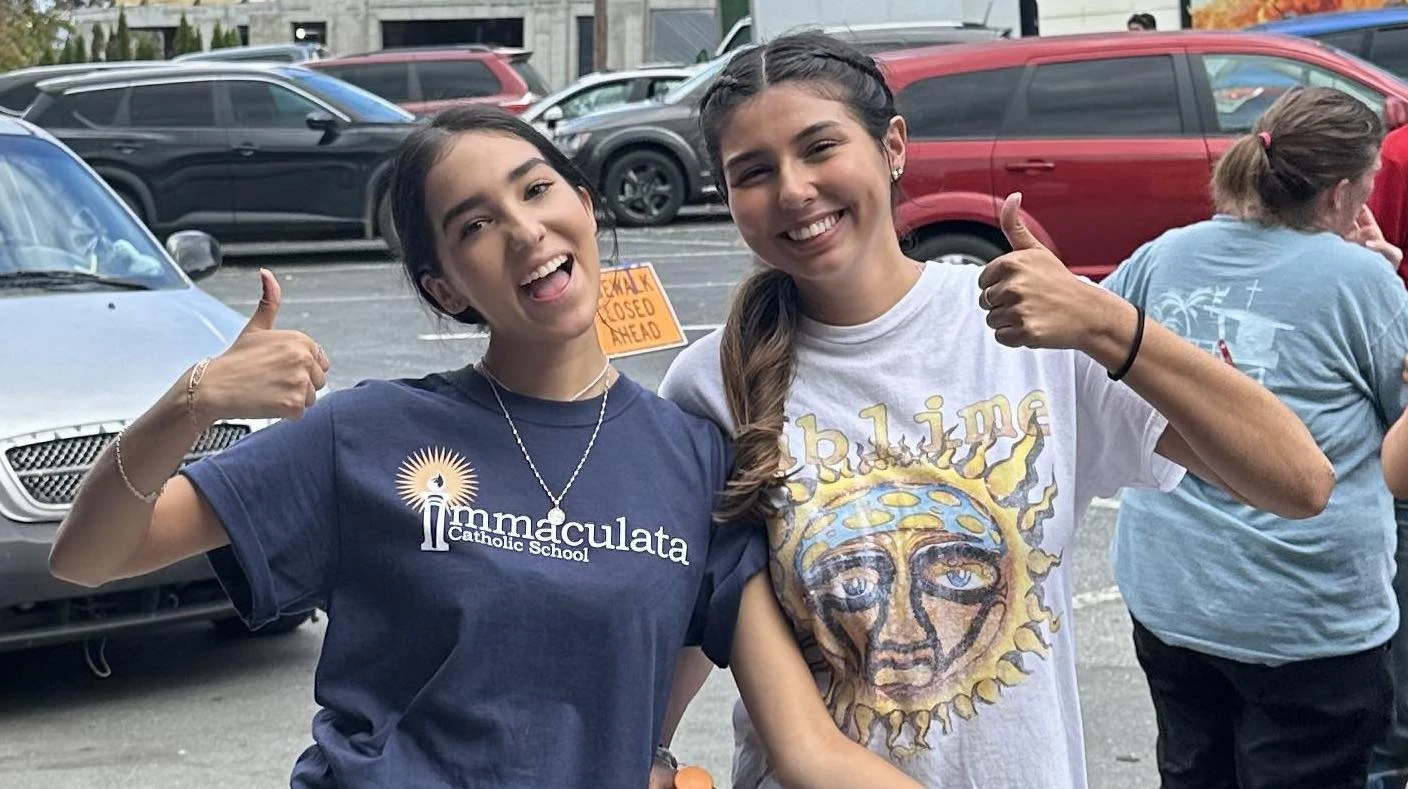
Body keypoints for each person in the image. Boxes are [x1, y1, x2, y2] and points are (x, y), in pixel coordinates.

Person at [45, 105, 923, 789]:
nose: (524, 230)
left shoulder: (693, 461)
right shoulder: (368, 431)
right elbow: (91, 554)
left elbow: (807, 747)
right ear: (445, 286)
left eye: (536, 190)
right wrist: (192, 402)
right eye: (474, 226)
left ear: (583, 202)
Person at [653, 30, 1334, 789]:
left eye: (819, 147)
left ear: (894, 147)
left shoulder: (1029, 330)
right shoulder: (708, 383)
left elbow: (1297, 482)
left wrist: (1109, 325)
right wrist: (646, 754)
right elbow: (683, 617)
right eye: (753, 171)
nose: (793, 189)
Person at [1099, 86, 1408, 789]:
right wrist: (1373, 283)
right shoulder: (1362, 282)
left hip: (1172, 594)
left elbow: (1091, 354)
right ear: (1338, 195)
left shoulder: (1168, 252)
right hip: (1306, 619)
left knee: (1191, 770)